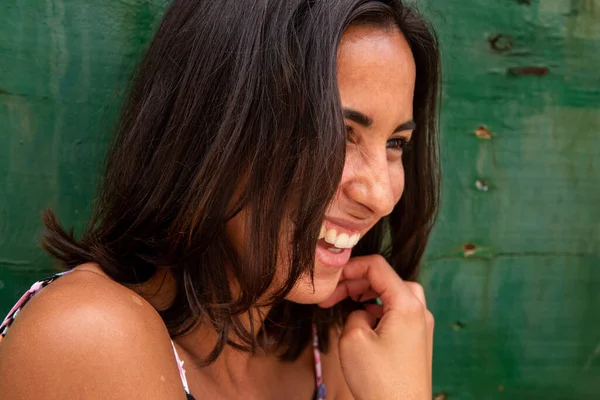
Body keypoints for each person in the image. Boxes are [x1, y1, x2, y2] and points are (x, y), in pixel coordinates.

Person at [0, 0, 440, 398]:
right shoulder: (89, 335)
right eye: (337, 133)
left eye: (395, 144)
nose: (380, 196)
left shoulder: (340, 350)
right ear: (220, 126)